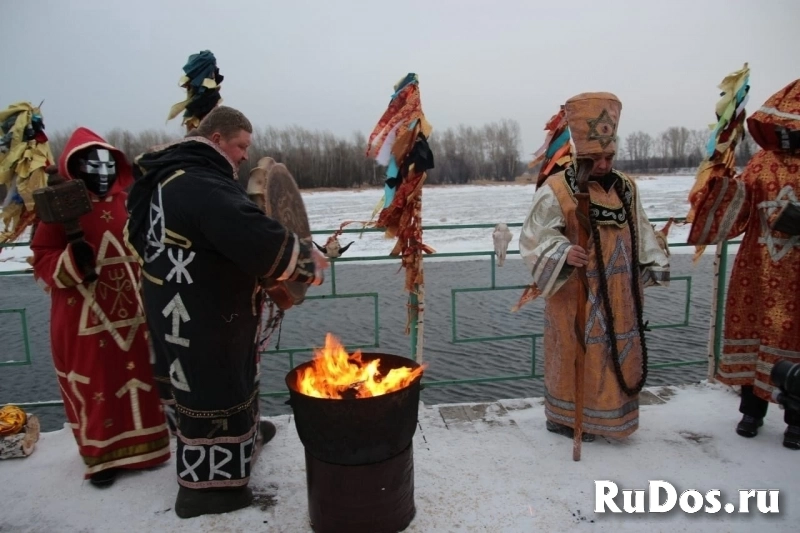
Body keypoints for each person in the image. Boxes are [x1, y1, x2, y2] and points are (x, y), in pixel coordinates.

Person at [125, 105, 327, 518]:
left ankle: (244, 442)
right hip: (202, 317)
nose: (243, 157)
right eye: (240, 146)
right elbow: (247, 231)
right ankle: (207, 490)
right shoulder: (198, 183)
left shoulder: (171, 177)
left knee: (219, 382)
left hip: (182, 309)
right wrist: (305, 259)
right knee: (212, 388)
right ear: (216, 140)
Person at [519, 92, 670, 441]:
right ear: (579, 155)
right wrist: (561, 252)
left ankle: (612, 419)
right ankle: (565, 418)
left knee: (618, 353)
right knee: (575, 353)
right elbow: (533, 237)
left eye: (609, 156)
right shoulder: (557, 189)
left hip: (622, 294)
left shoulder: (626, 188)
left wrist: (653, 256)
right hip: (576, 294)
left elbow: (641, 227)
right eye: (596, 157)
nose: (604, 165)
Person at [30, 127, 170, 487]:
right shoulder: (60, 206)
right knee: (98, 382)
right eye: (95, 165)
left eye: (110, 164)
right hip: (86, 315)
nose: (104, 172)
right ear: (77, 166)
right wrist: (72, 260)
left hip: (134, 313)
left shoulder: (129, 200)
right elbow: (42, 258)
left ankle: (149, 451)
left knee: (140, 378)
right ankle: (102, 459)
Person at [687, 79, 800, 450]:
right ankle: (751, 411)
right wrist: (720, 187)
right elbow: (737, 216)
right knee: (756, 338)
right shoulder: (762, 163)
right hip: (757, 271)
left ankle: (796, 420)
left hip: (797, 276)